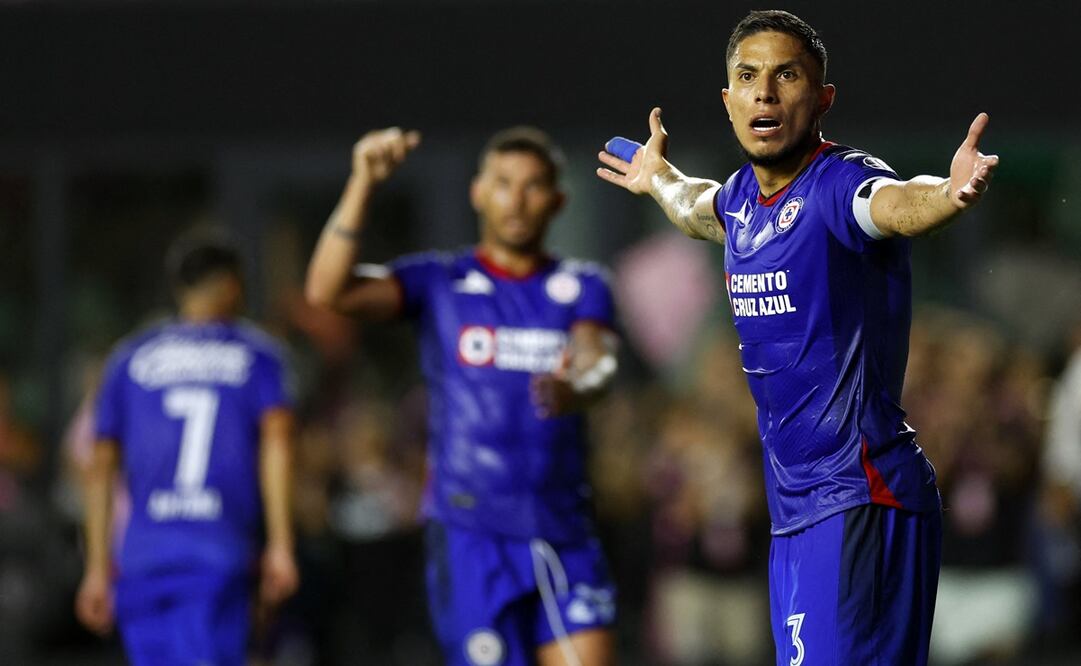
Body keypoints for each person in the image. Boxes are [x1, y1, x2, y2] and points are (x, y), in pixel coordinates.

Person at [596, 9, 999, 666]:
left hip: (858, 492)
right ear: (728, 101)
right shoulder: (739, 204)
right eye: (747, 77)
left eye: (786, 75)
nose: (764, 92)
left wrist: (946, 195)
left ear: (822, 98)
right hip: (798, 512)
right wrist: (657, 179)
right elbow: (696, 206)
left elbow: (894, 201)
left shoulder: (839, 185)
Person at [305, 126, 619, 666]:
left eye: (533, 185)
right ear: (477, 192)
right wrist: (363, 183)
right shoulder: (440, 281)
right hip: (473, 532)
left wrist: (580, 386)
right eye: (503, 183)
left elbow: (599, 360)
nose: (516, 200)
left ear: (558, 201)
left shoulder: (582, 284)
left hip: (562, 528)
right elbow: (327, 290)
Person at [75, 234, 300, 665]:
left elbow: (99, 466)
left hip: (142, 558)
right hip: (216, 552)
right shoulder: (257, 356)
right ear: (231, 285)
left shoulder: (129, 358)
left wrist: (97, 568)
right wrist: (281, 545)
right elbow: (278, 443)